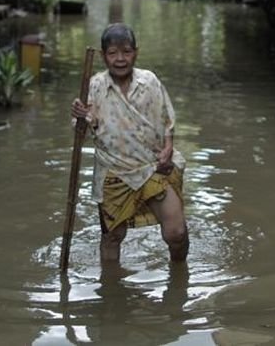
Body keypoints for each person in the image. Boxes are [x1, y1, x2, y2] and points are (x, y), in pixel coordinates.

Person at [72, 23, 188, 264]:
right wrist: (80, 115)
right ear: (104, 56)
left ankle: (179, 276)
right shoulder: (95, 85)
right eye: (113, 53)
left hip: (151, 167)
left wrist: (168, 147)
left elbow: (167, 120)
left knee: (176, 233)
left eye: (126, 52)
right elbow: (83, 130)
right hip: (113, 173)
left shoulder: (149, 81)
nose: (120, 59)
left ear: (136, 52)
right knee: (112, 237)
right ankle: (111, 293)